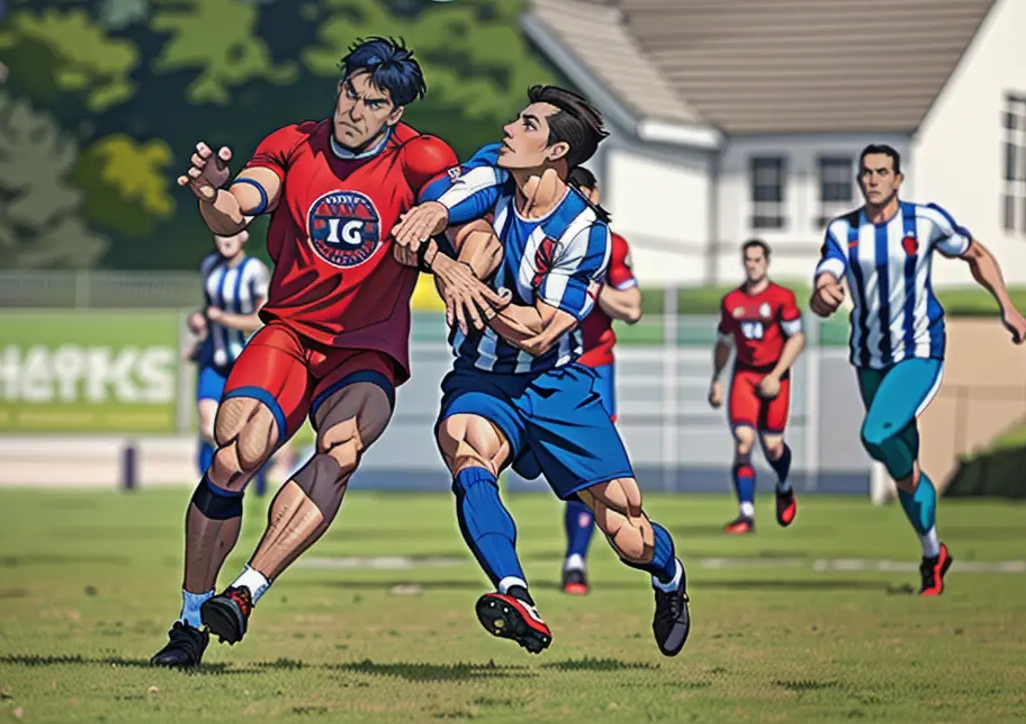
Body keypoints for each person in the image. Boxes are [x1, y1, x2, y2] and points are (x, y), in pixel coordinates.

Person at [150, 36, 507, 666]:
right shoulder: (293, 142)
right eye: (349, 93)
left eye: (373, 103)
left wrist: (461, 270)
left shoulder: (422, 156)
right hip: (290, 331)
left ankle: (244, 593)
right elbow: (240, 208)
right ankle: (187, 621)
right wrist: (212, 194)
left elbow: (475, 229)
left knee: (341, 450)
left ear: (394, 113)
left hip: (366, 349)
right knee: (238, 452)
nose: (354, 110)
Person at [392, 84, 691, 658]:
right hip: (483, 377)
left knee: (627, 529)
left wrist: (468, 283)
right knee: (464, 448)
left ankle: (669, 576)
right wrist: (432, 224)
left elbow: (540, 330)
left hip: (556, 385)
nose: (509, 128)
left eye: (526, 124)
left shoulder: (585, 234)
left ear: (556, 152)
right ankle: (516, 593)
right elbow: (446, 205)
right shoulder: (493, 170)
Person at [812, 144, 1026, 595]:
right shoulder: (844, 231)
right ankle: (933, 554)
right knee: (901, 466)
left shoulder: (925, 221)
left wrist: (1006, 306)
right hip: (868, 358)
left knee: (875, 435)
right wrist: (824, 294)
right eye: (866, 173)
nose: (873, 180)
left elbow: (977, 254)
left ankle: (914, 493)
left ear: (898, 179)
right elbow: (825, 278)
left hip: (919, 350)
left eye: (882, 172)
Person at [560, 166, 642, 595]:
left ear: (594, 193)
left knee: (590, 469)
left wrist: (587, 286)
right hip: (542, 366)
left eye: (579, 190)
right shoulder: (540, 234)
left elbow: (631, 308)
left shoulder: (611, 245)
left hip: (593, 368)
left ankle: (576, 559)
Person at [709, 240, 805, 534]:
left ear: (766, 262)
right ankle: (745, 514)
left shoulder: (781, 298)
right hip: (745, 377)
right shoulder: (732, 302)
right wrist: (716, 379)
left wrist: (776, 375)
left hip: (774, 377)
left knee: (773, 447)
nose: (752, 264)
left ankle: (784, 486)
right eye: (748, 259)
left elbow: (797, 339)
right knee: (743, 442)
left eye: (757, 259)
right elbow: (724, 343)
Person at [187, 234, 269, 476]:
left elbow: (261, 319)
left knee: (242, 430)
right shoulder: (209, 266)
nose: (225, 239)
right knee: (208, 426)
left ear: (244, 235)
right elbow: (208, 309)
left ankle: (254, 469)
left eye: (231, 233)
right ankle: (208, 479)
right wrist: (199, 321)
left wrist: (223, 319)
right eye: (220, 233)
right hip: (214, 358)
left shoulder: (254, 270)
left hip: (245, 362)